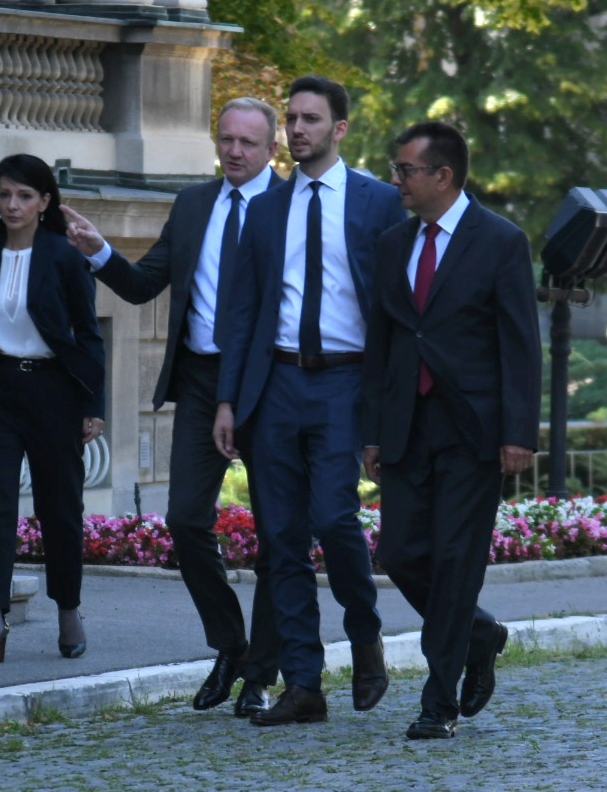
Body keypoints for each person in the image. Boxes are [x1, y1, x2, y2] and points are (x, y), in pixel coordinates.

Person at [58, 97, 284, 717]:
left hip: (270, 382)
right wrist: (97, 251)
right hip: (201, 379)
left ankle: (263, 672)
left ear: (271, 150)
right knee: (185, 520)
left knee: (276, 535)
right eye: (226, 139)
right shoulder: (193, 205)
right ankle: (231, 646)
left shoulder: (292, 208)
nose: (234, 151)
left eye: (247, 142)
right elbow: (140, 284)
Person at [213, 75, 406, 727]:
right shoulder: (267, 208)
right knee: (282, 539)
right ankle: (303, 683)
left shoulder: (380, 203)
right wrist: (228, 402)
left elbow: (398, 310)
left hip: (346, 382)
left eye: (311, 120)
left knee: (332, 516)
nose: (297, 129)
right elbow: (240, 314)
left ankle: (365, 632)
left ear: (340, 128)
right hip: (276, 385)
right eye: (292, 118)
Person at [361, 121, 542, 740]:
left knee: (457, 559)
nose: (396, 180)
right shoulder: (393, 243)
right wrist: (374, 433)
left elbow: (521, 343)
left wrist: (519, 431)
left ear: (443, 175)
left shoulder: (500, 240)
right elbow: (382, 343)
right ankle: (480, 634)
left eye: (406, 170)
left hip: (475, 429)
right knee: (400, 554)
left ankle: (436, 704)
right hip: (408, 424)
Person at [0, 153, 106, 666]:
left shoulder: (64, 257)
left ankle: (68, 608)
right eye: (5, 194)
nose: (12, 205)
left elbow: (88, 336)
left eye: (24, 196)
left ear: (44, 203)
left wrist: (92, 403)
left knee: (61, 508)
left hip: (54, 391)